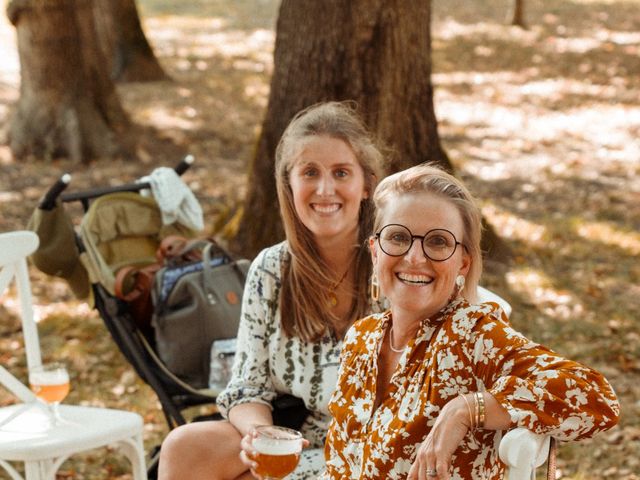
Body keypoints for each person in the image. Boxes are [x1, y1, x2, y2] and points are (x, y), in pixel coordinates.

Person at [321, 164, 620, 480]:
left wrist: (467, 409)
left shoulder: (472, 336)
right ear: (375, 251)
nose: (414, 257)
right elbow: (339, 465)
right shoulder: (361, 338)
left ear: (463, 263)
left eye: (438, 242)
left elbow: (597, 398)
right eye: (398, 237)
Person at [157, 101, 384, 480]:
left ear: (366, 186)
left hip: (376, 448)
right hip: (305, 438)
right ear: (289, 185)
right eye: (309, 172)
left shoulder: (394, 262)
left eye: (341, 172)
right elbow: (247, 387)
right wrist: (258, 435)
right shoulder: (271, 269)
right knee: (183, 447)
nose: (325, 189)